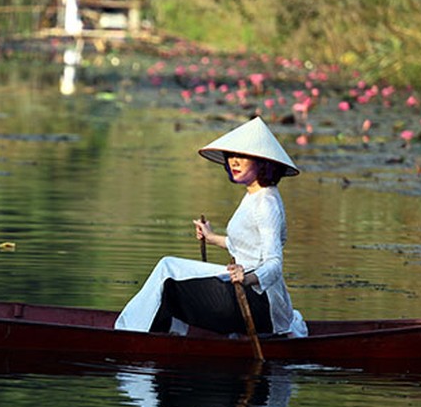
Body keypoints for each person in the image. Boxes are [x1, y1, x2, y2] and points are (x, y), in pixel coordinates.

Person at [115, 116, 308, 338]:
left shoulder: (266, 203)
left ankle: (131, 335)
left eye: (243, 157)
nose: (234, 162)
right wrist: (211, 237)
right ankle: (152, 333)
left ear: (262, 163)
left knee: (168, 273)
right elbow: (246, 246)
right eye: (232, 156)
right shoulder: (253, 195)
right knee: (168, 272)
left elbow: (274, 264)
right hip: (242, 288)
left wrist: (247, 278)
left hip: (260, 301)